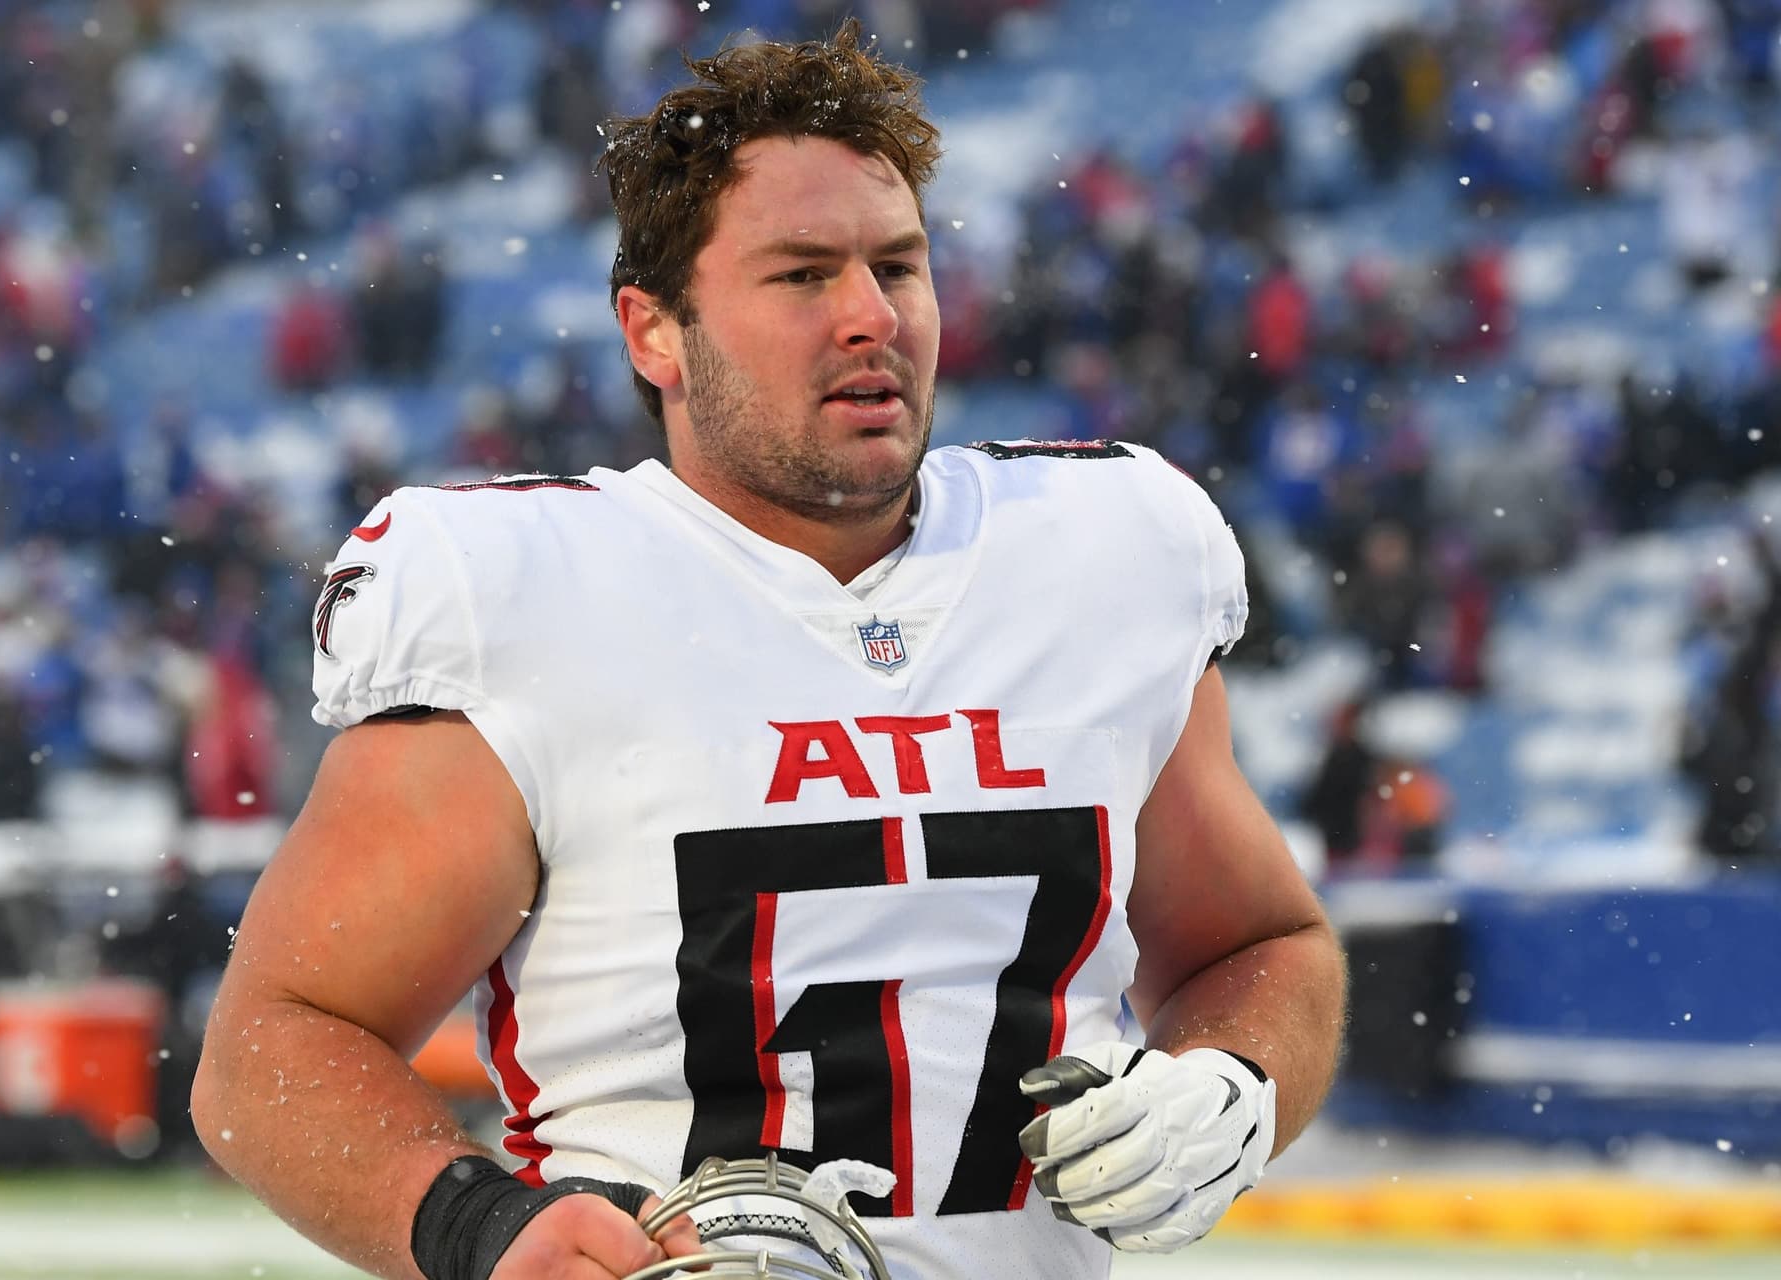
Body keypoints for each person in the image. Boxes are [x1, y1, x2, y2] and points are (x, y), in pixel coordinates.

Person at [191, 21, 1347, 1280]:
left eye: (898, 266)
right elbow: (271, 1047)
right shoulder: (528, 597)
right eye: (802, 275)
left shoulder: (1097, 557)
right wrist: (478, 1223)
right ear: (654, 332)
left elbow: (1261, 946)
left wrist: (1231, 1080)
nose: (870, 316)